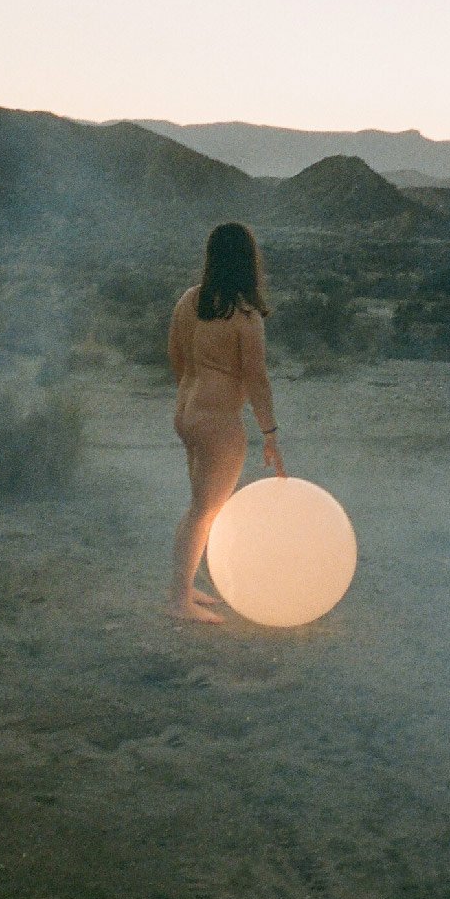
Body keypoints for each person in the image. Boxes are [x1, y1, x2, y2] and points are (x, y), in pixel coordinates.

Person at [167, 222, 285, 623]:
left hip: (187, 413)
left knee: (200, 506)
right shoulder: (244, 316)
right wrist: (270, 433)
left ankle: (185, 588)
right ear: (248, 262)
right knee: (204, 511)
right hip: (217, 422)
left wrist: (195, 399)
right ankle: (178, 600)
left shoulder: (190, 300)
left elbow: (176, 356)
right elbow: (257, 379)